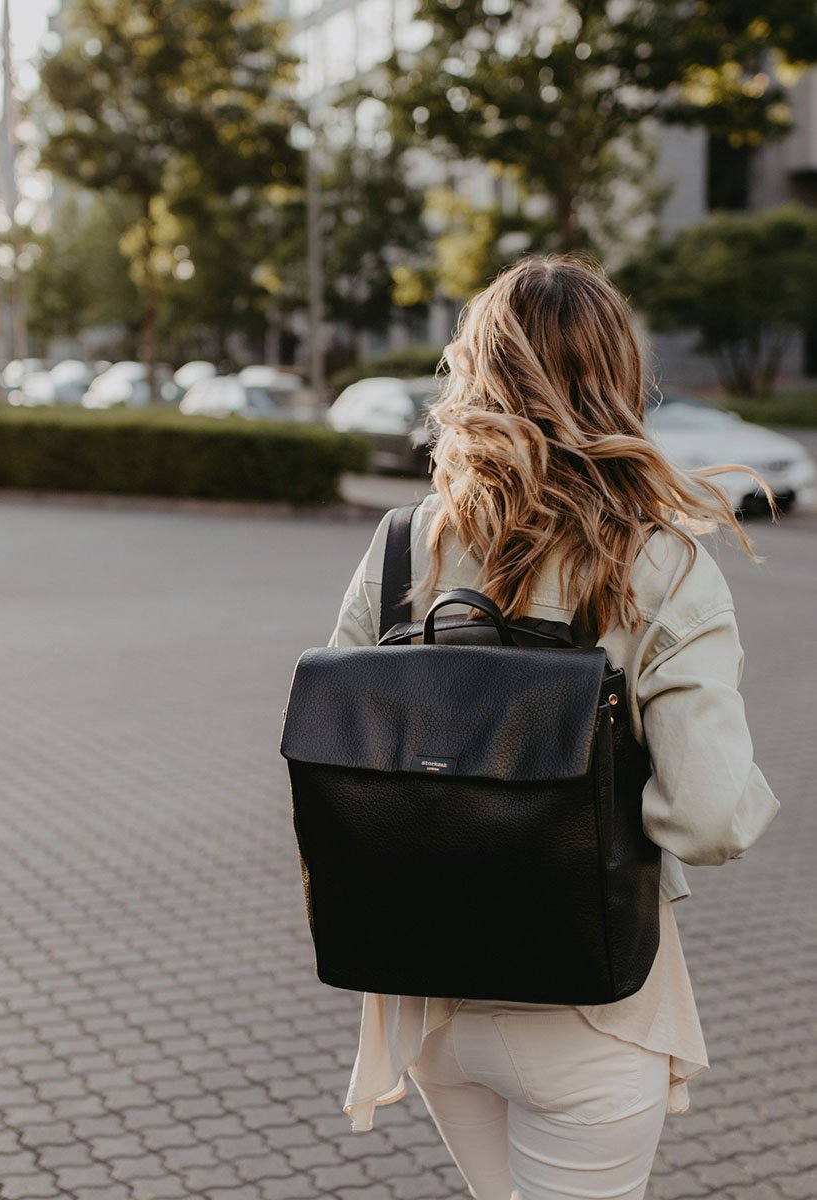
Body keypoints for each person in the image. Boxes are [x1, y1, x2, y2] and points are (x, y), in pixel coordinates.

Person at [327, 256, 781, 1200]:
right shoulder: (660, 563)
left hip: (428, 998)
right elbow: (708, 818)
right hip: (590, 1005)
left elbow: (338, 737)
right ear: (620, 378)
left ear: (475, 373)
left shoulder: (409, 541)